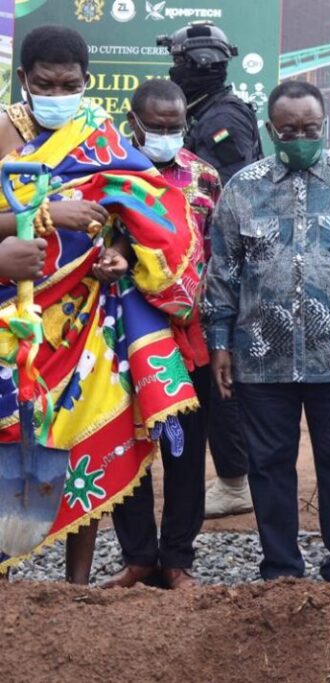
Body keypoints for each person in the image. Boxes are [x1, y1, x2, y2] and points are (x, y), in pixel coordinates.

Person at [0, 25, 200, 583]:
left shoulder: (103, 136)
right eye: (46, 83)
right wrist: (47, 214)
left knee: (87, 435)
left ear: (87, 83)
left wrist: (117, 251)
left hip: (88, 319)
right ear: (23, 80)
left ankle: (77, 585)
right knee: (12, 437)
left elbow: (133, 209)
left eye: (70, 84)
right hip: (14, 318)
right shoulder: (1, 134)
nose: (58, 93)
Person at [204, 81, 330, 585]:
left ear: (325, 126)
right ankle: (281, 571)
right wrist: (221, 343)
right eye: (288, 130)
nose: (300, 137)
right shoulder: (242, 189)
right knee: (269, 467)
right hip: (260, 358)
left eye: (310, 129)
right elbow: (222, 272)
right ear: (271, 130)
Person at [102, 79, 222, 590]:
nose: (167, 134)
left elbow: (217, 254)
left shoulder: (204, 178)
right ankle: (138, 557)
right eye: (157, 127)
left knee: (184, 451)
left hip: (187, 337)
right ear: (134, 124)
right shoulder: (107, 175)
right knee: (127, 442)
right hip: (120, 338)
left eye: (176, 127)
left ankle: (177, 559)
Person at [159, 20, 262, 518]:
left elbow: (223, 190)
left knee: (219, 372)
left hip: (222, 266)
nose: (175, 69)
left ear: (195, 64)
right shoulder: (200, 111)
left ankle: (235, 479)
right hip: (197, 265)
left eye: (180, 62)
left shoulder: (225, 117)